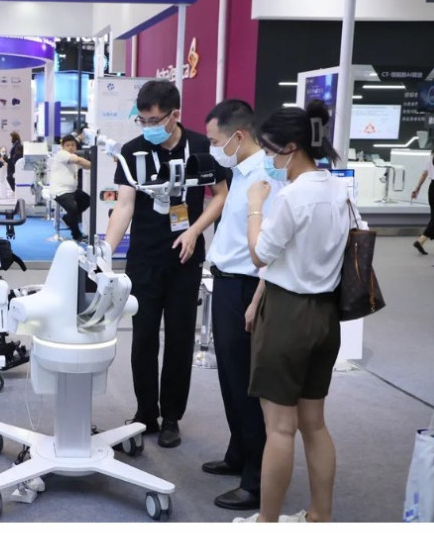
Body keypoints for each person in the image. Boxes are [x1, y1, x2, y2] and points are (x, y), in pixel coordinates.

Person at [236, 100, 350, 523]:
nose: (268, 158)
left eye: (270, 149)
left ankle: (267, 522)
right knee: (314, 424)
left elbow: (260, 254)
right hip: (325, 315)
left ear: (290, 147)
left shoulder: (292, 197)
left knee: (279, 429)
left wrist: (254, 206)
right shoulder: (337, 189)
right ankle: (321, 515)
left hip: (287, 317)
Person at [104, 80, 228, 448]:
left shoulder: (203, 147)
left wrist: (195, 231)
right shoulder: (132, 151)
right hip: (144, 258)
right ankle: (146, 413)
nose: (149, 127)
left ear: (176, 114)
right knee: (142, 338)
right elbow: (124, 206)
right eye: (143, 120)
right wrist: (105, 253)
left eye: (156, 119)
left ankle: (172, 415)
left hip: (185, 259)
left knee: (178, 338)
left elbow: (220, 195)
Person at [203, 100, 279, 511]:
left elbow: (270, 245)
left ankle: (256, 480)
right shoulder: (239, 171)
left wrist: (257, 296)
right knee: (230, 378)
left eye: (216, 141)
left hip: (246, 286)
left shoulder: (265, 176)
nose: (214, 148)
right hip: (226, 282)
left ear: (239, 136)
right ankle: (238, 454)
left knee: (247, 384)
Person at [52, 134, 92, 242]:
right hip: (60, 191)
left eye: (73, 145)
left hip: (72, 191)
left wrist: (95, 164)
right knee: (72, 207)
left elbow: (85, 165)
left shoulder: (74, 157)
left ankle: (68, 218)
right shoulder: (62, 154)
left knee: (88, 200)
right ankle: (76, 235)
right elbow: (80, 161)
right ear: (63, 146)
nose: (70, 147)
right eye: (68, 145)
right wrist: (94, 164)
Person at [410, 148, 434, 255]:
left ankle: (421, 241)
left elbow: (424, 174)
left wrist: (416, 189)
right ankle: (420, 240)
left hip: (432, 188)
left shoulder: (430, 157)